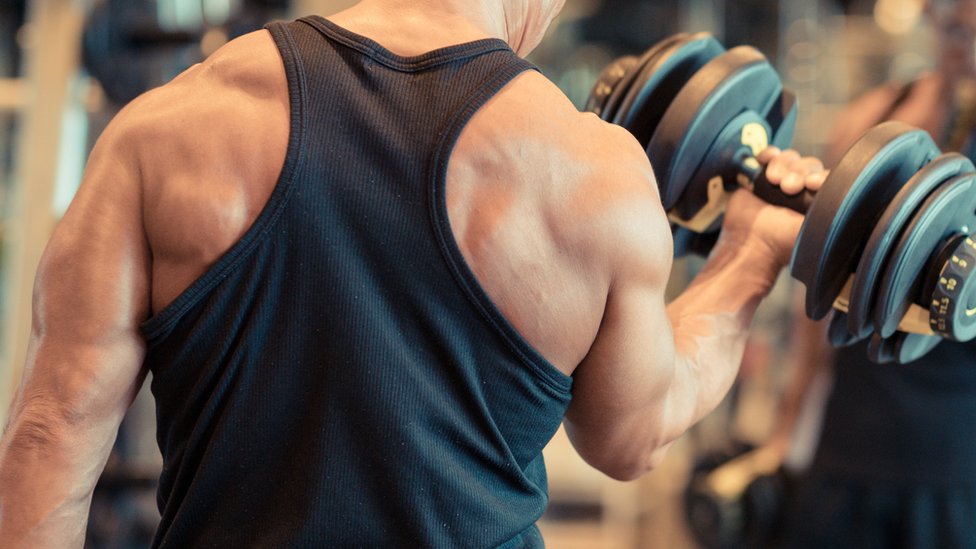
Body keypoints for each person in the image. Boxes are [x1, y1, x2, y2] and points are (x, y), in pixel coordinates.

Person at [0, 0, 823, 546]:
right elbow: (632, 432)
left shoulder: (169, 128)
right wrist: (750, 257)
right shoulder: (596, 178)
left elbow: (49, 437)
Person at [770, 0, 976, 546]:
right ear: (933, 15)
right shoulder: (872, 118)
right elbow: (818, 293)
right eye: (957, 28)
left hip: (957, 461)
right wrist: (787, 429)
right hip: (853, 439)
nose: (969, 46)